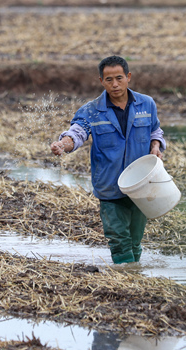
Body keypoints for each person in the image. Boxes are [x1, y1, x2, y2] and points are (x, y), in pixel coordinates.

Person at [50, 55, 165, 265]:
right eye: (109, 79)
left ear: (128, 77)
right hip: (109, 186)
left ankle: (135, 281)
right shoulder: (91, 110)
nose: (115, 84)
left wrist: (156, 146)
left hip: (140, 185)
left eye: (119, 78)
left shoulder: (146, 104)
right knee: (119, 240)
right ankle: (128, 278)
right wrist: (63, 145)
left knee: (135, 241)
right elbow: (77, 133)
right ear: (101, 81)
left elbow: (155, 130)